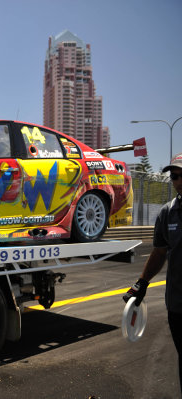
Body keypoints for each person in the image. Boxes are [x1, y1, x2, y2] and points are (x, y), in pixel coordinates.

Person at [123, 151, 182, 394]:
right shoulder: (168, 212)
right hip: (177, 305)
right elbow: (159, 253)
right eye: (174, 176)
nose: (178, 180)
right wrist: (141, 284)